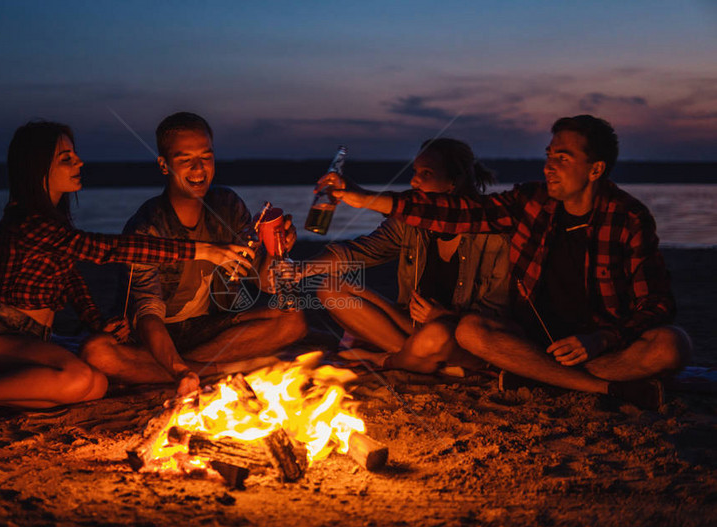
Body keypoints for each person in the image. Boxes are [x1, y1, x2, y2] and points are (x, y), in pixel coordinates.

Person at [0, 121, 249, 428]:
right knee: (78, 377)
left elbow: (72, 280)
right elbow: (105, 249)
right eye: (66, 158)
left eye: (74, 155)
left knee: (95, 385)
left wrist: (97, 323)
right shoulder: (27, 222)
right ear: (39, 168)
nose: (79, 162)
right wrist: (202, 250)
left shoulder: (53, 221)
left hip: (35, 340)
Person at [324, 115, 691, 410]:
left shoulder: (628, 217)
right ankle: (601, 387)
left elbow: (658, 303)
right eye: (549, 155)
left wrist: (603, 337)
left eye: (562, 159)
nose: (549, 166)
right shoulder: (529, 202)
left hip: (601, 346)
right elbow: (460, 212)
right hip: (530, 343)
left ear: (595, 170)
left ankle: (541, 377)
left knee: (673, 345)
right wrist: (365, 198)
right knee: (471, 331)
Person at [81, 112, 306, 391]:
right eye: (185, 159)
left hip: (207, 327)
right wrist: (177, 368)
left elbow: (263, 281)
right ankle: (221, 369)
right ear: (164, 165)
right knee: (98, 353)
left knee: (292, 320)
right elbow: (148, 315)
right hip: (154, 334)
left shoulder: (227, 204)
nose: (199, 168)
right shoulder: (147, 227)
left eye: (206, 157)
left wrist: (277, 247)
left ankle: (185, 370)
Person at [310, 138, 509, 375]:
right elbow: (358, 252)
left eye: (426, 173)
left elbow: (497, 316)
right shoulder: (411, 223)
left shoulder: (494, 235)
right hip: (411, 327)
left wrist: (445, 316)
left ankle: (390, 360)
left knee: (437, 335)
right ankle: (418, 358)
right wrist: (301, 269)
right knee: (329, 288)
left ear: (453, 182)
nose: (414, 180)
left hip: (458, 335)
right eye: (415, 171)